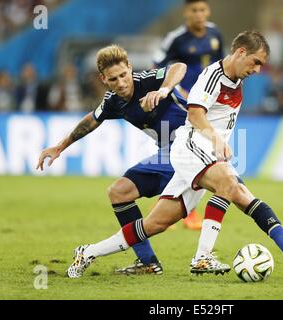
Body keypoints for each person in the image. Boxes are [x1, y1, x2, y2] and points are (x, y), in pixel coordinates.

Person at [67, 31, 283, 279]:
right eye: (256, 62)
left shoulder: (235, 79)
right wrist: (216, 140)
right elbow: (194, 114)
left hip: (205, 154)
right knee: (228, 184)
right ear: (240, 53)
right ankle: (203, 257)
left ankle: (88, 252)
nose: (258, 69)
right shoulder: (212, 76)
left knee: (156, 223)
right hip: (190, 147)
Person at [37, 44, 189, 275]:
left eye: (123, 75)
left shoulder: (147, 81)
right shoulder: (113, 102)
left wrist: (164, 90)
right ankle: (148, 262)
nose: (121, 83)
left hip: (191, 146)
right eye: (113, 79)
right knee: (119, 192)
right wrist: (59, 147)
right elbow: (91, 120)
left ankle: (91, 252)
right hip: (168, 155)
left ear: (130, 68)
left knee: (160, 218)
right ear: (103, 79)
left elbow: (179, 67)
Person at [153, 0, 224, 230]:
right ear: (186, 12)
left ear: (209, 11)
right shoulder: (176, 38)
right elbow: (157, 66)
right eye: (194, 10)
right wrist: (174, 88)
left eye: (203, 9)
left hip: (208, 104)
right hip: (182, 105)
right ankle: (179, 210)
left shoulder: (215, 34)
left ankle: (176, 209)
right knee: (179, 154)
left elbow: (223, 66)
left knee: (200, 156)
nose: (199, 14)